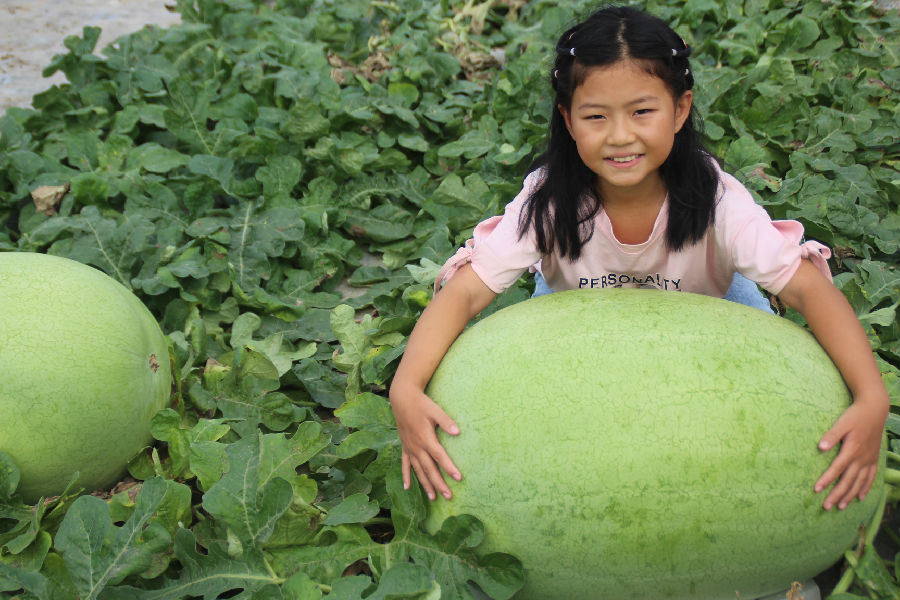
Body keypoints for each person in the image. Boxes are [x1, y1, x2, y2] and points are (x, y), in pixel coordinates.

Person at [389, 6, 889, 518]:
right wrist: (405, 388)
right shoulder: (551, 200)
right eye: (596, 116)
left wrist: (872, 398)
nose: (621, 135)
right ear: (567, 119)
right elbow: (467, 292)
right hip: (573, 309)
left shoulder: (715, 198)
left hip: (712, 306)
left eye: (642, 112)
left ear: (679, 108)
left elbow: (808, 289)